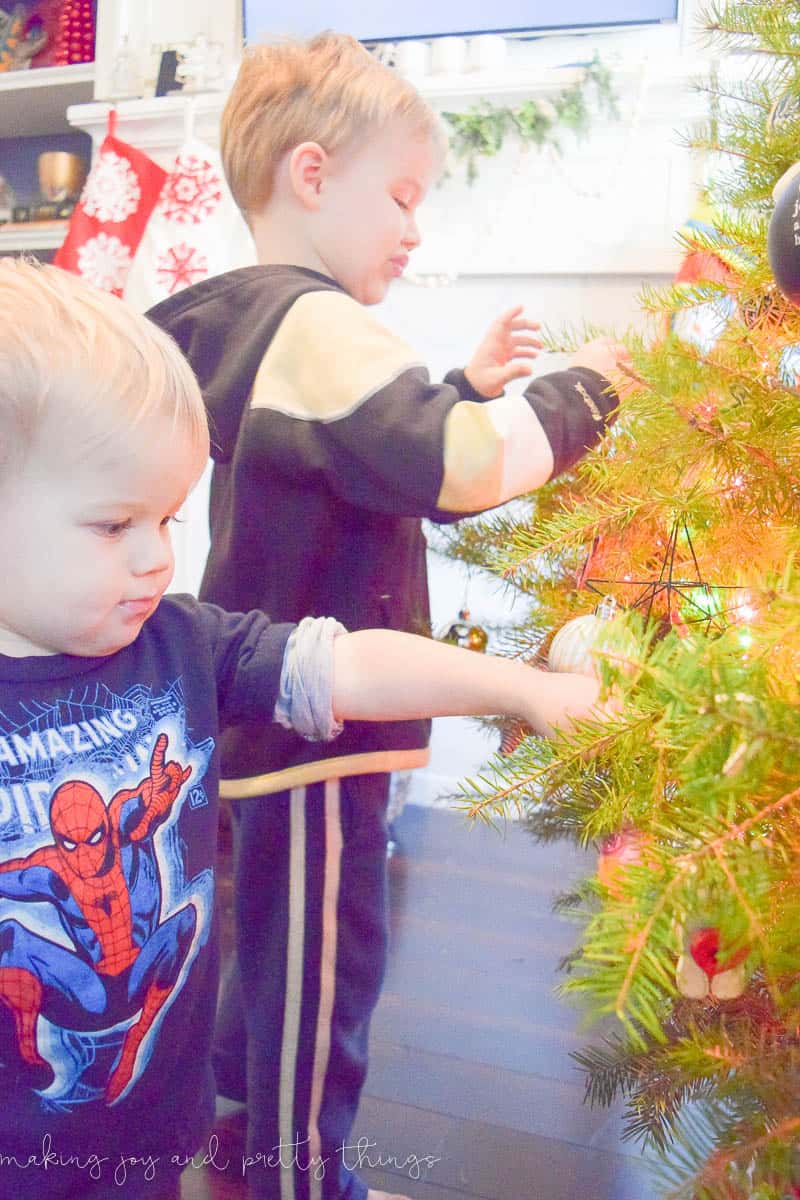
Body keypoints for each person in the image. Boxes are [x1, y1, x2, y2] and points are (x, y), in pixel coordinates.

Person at [0, 256, 606, 1200]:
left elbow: (351, 662)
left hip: (158, 1139)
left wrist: (520, 689)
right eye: (115, 524)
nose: (161, 557)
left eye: (169, 518)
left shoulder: (180, 644)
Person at [147, 31, 633, 1200]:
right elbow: (454, 469)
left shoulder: (267, 320)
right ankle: (297, 1176)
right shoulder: (316, 323)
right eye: (401, 197)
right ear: (312, 176)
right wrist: (588, 390)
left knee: (266, 945)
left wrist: (457, 388)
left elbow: (369, 462)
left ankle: (239, 1138)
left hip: (274, 703)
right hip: (322, 719)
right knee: (323, 962)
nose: (416, 229)